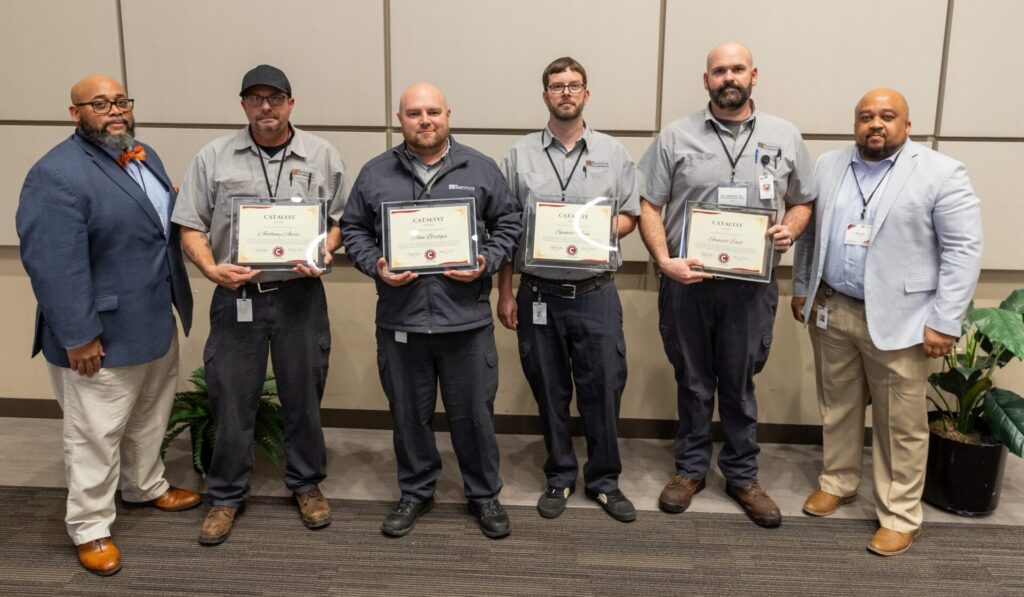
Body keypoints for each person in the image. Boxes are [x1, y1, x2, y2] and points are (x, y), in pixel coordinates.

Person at [16, 75, 198, 575]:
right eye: (99, 103)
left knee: (148, 416)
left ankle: (146, 486)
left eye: (120, 101)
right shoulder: (56, 174)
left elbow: (157, 224)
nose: (114, 110)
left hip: (154, 319)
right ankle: (90, 526)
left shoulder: (144, 154)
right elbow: (54, 263)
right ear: (75, 113)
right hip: (99, 335)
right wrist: (79, 336)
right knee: (93, 433)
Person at [792, 88, 982, 556]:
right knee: (837, 404)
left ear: (907, 124)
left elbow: (963, 251)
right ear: (855, 123)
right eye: (865, 116)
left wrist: (944, 321)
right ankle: (838, 481)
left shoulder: (941, 172)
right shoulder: (828, 165)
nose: (875, 124)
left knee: (901, 423)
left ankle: (900, 514)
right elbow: (810, 234)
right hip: (834, 307)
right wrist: (802, 286)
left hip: (904, 320)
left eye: (887, 116)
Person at [637, 42, 815, 527]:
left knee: (739, 384)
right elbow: (649, 205)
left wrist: (791, 229)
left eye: (737, 69)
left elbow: (804, 201)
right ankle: (690, 471)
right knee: (692, 382)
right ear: (706, 80)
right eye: (719, 71)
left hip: (751, 290)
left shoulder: (785, 136)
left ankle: (742, 476)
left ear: (754, 74)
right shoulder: (675, 136)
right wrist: (663, 260)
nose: (728, 77)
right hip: (687, 284)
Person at [172, 65, 351, 545]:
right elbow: (189, 224)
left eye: (275, 98)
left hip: (300, 297)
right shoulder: (213, 157)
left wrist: (325, 248)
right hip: (237, 298)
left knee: (303, 396)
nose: (265, 107)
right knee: (231, 399)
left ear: (291, 103)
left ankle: (306, 484)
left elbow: (339, 221)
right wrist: (211, 270)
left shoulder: (322, 155)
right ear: (243, 105)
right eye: (255, 98)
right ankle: (226, 496)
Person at [341, 83, 521, 539]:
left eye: (434, 112)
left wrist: (486, 262)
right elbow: (354, 229)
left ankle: (484, 495)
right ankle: (416, 491)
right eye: (415, 113)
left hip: (465, 322)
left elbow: (509, 223)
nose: (425, 120)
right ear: (399, 119)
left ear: (448, 115)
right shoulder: (375, 172)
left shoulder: (479, 168)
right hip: (401, 321)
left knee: (474, 417)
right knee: (408, 415)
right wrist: (375, 265)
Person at [497, 57, 641, 522]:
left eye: (574, 85)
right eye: (556, 86)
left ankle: (603, 481)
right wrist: (505, 291)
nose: (565, 93)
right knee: (550, 388)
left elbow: (630, 217)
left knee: (603, 388)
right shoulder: (518, 157)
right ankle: (560, 475)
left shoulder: (614, 154)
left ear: (586, 94)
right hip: (538, 293)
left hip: (596, 291)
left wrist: (592, 233)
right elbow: (505, 228)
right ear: (545, 96)